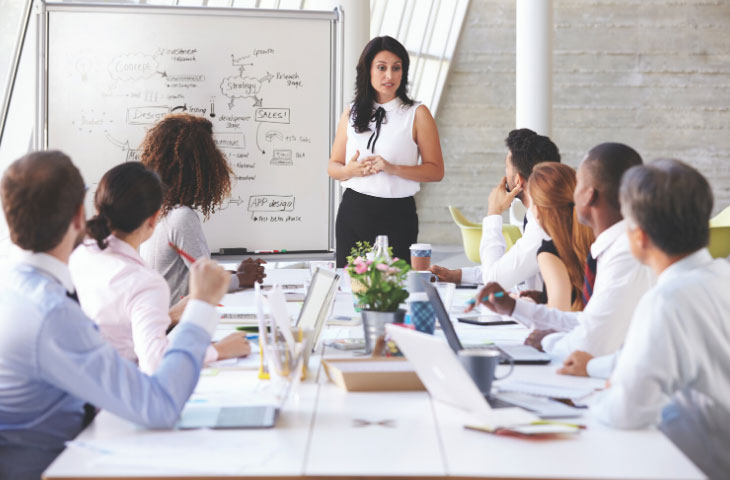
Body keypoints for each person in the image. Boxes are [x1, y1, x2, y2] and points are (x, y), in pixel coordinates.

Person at [0, 151, 230, 480]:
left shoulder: (14, 286)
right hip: (58, 466)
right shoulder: (52, 315)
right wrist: (202, 308)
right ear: (80, 217)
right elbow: (160, 406)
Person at [591, 159, 730, 480]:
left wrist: (608, 395)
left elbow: (626, 413)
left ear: (638, 236)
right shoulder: (720, 275)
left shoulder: (667, 300)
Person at [467, 143, 653, 359]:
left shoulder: (627, 252)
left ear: (588, 195)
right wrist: (514, 308)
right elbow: (588, 321)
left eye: (578, 184)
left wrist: (547, 341)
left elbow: (592, 340)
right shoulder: (614, 244)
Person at [69, 162, 250, 375]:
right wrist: (217, 350)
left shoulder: (78, 256)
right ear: (154, 219)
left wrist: (170, 315)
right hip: (119, 394)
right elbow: (156, 364)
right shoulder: (144, 281)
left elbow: (115, 324)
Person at [328, 36, 444, 268]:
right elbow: (333, 166)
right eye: (381, 67)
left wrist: (392, 168)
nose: (389, 75)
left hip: (397, 215)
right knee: (350, 286)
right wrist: (350, 170)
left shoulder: (417, 113)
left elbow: (436, 171)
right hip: (354, 211)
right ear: (368, 70)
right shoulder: (350, 112)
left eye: (396, 68)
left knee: (394, 289)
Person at [139, 113, 265, 304]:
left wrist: (238, 273)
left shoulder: (158, 211)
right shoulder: (181, 217)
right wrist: (243, 278)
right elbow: (209, 283)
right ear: (201, 165)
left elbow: (195, 275)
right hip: (175, 324)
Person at [430, 129, 560, 290]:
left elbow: (494, 281)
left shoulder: (542, 226)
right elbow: (509, 268)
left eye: (506, 166)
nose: (504, 174)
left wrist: (494, 213)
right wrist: (460, 275)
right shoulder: (545, 214)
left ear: (518, 180)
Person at [525, 162, 594, 311]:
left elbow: (557, 315)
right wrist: (543, 298)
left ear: (537, 210)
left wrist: (523, 307)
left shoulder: (549, 253)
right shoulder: (595, 238)